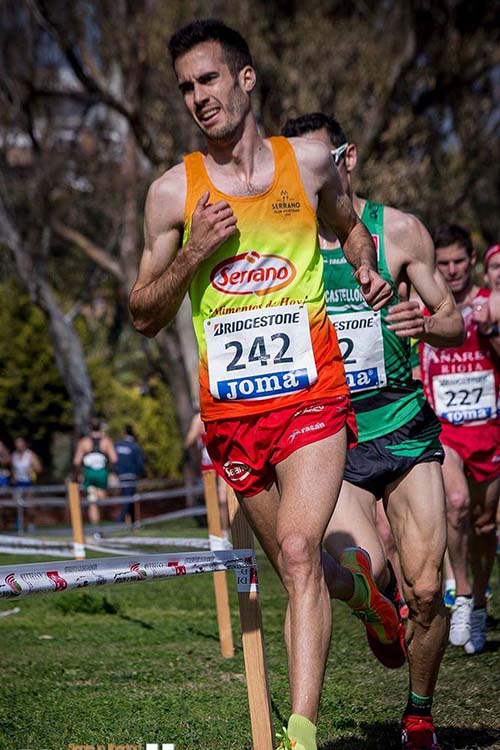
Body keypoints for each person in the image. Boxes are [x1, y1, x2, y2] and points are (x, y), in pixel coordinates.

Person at [130, 20, 398, 750]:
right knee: (297, 568)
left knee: (302, 549)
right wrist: (194, 254)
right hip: (233, 417)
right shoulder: (170, 195)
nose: (198, 98)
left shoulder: (308, 163)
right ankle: (369, 597)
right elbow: (143, 313)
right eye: (186, 87)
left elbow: (350, 226)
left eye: (209, 79)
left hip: (311, 398)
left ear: (246, 79)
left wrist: (368, 267)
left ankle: (300, 736)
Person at [282, 112, 464, 750]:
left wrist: (424, 323)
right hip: (338, 436)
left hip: (406, 428)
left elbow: (454, 322)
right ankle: (376, 603)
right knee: (368, 569)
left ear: (347, 159)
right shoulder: (287, 246)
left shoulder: (400, 231)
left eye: (318, 162)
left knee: (427, 590)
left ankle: (419, 714)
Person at [420, 224, 500, 655]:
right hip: (446, 429)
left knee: (486, 524)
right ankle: (464, 595)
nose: (450, 270)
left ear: (471, 261)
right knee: (456, 504)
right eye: (443, 262)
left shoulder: (491, 305)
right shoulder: (425, 303)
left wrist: (491, 330)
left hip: (489, 428)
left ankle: (482, 598)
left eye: (457, 261)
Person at [72, 417, 118, 525]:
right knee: (101, 499)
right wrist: (110, 470)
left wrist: (79, 474)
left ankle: (96, 528)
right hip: (102, 472)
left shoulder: (84, 442)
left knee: (92, 501)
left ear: (90, 427)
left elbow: (76, 461)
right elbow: (114, 459)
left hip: (89, 473)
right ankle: (99, 526)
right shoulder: (106, 441)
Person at [115, 425, 145, 524]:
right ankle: (121, 520)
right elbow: (140, 463)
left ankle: (132, 521)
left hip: (121, 475)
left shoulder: (117, 445)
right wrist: (139, 474)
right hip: (131, 476)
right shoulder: (135, 446)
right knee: (128, 498)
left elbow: (114, 460)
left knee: (127, 497)